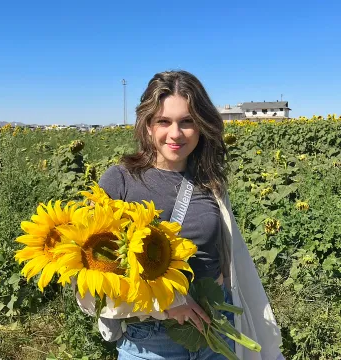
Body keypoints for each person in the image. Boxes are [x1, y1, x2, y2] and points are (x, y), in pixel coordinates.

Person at [96, 70, 284, 360]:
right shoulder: (120, 180)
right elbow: (94, 273)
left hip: (216, 330)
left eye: (187, 122)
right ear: (147, 126)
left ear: (201, 125)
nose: (175, 133)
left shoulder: (209, 181)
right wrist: (164, 302)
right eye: (163, 121)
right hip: (152, 341)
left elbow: (226, 254)